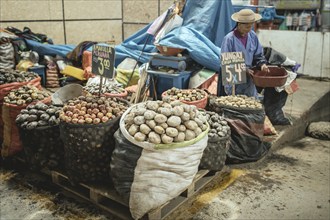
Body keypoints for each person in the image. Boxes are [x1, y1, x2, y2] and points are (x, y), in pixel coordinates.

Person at [221, 8, 269, 98]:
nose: (249, 29)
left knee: (251, 103)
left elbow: (258, 55)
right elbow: (226, 63)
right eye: (247, 27)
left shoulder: (252, 36)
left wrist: (262, 64)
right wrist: (243, 69)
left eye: (251, 26)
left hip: (249, 80)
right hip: (234, 80)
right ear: (239, 24)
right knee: (236, 104)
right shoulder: (229, 39)